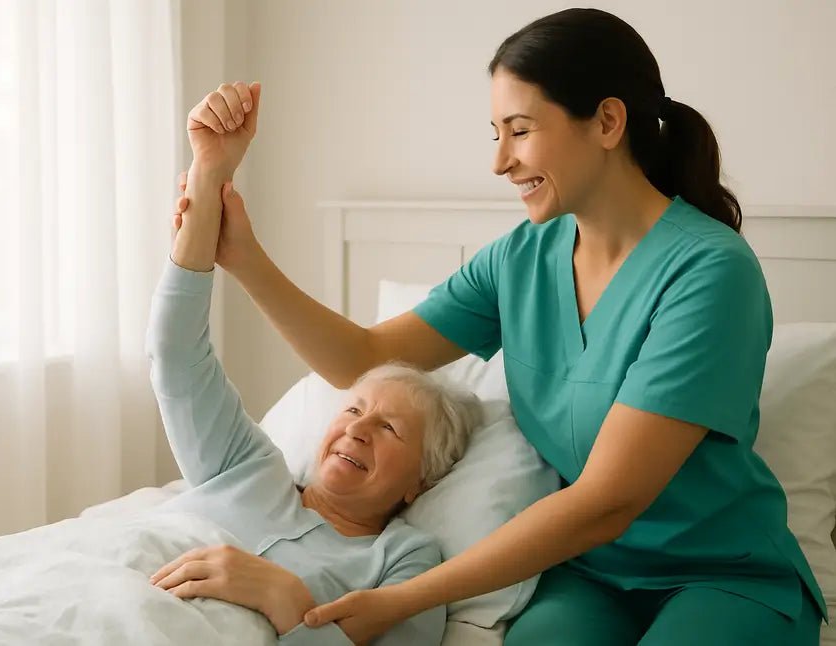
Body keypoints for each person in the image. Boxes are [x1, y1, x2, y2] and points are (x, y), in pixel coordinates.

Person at [171, 7, 827, 645]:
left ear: (606, 121)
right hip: (591, 576)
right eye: (496, 135)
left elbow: (608, 500)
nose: (500, 162)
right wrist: (244, 258)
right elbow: (364, 359)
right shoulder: (522, 258)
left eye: (519, 130)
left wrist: (399, 600)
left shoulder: (710, 272)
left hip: (721, 575)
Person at [148, 163, 483, 644]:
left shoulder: (405, 562)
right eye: (352, 409)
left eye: (389, 428)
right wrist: (209, 176)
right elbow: (175, 355)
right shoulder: (245, 466)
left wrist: (287, 599)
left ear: (421, 481)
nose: (357, 429)